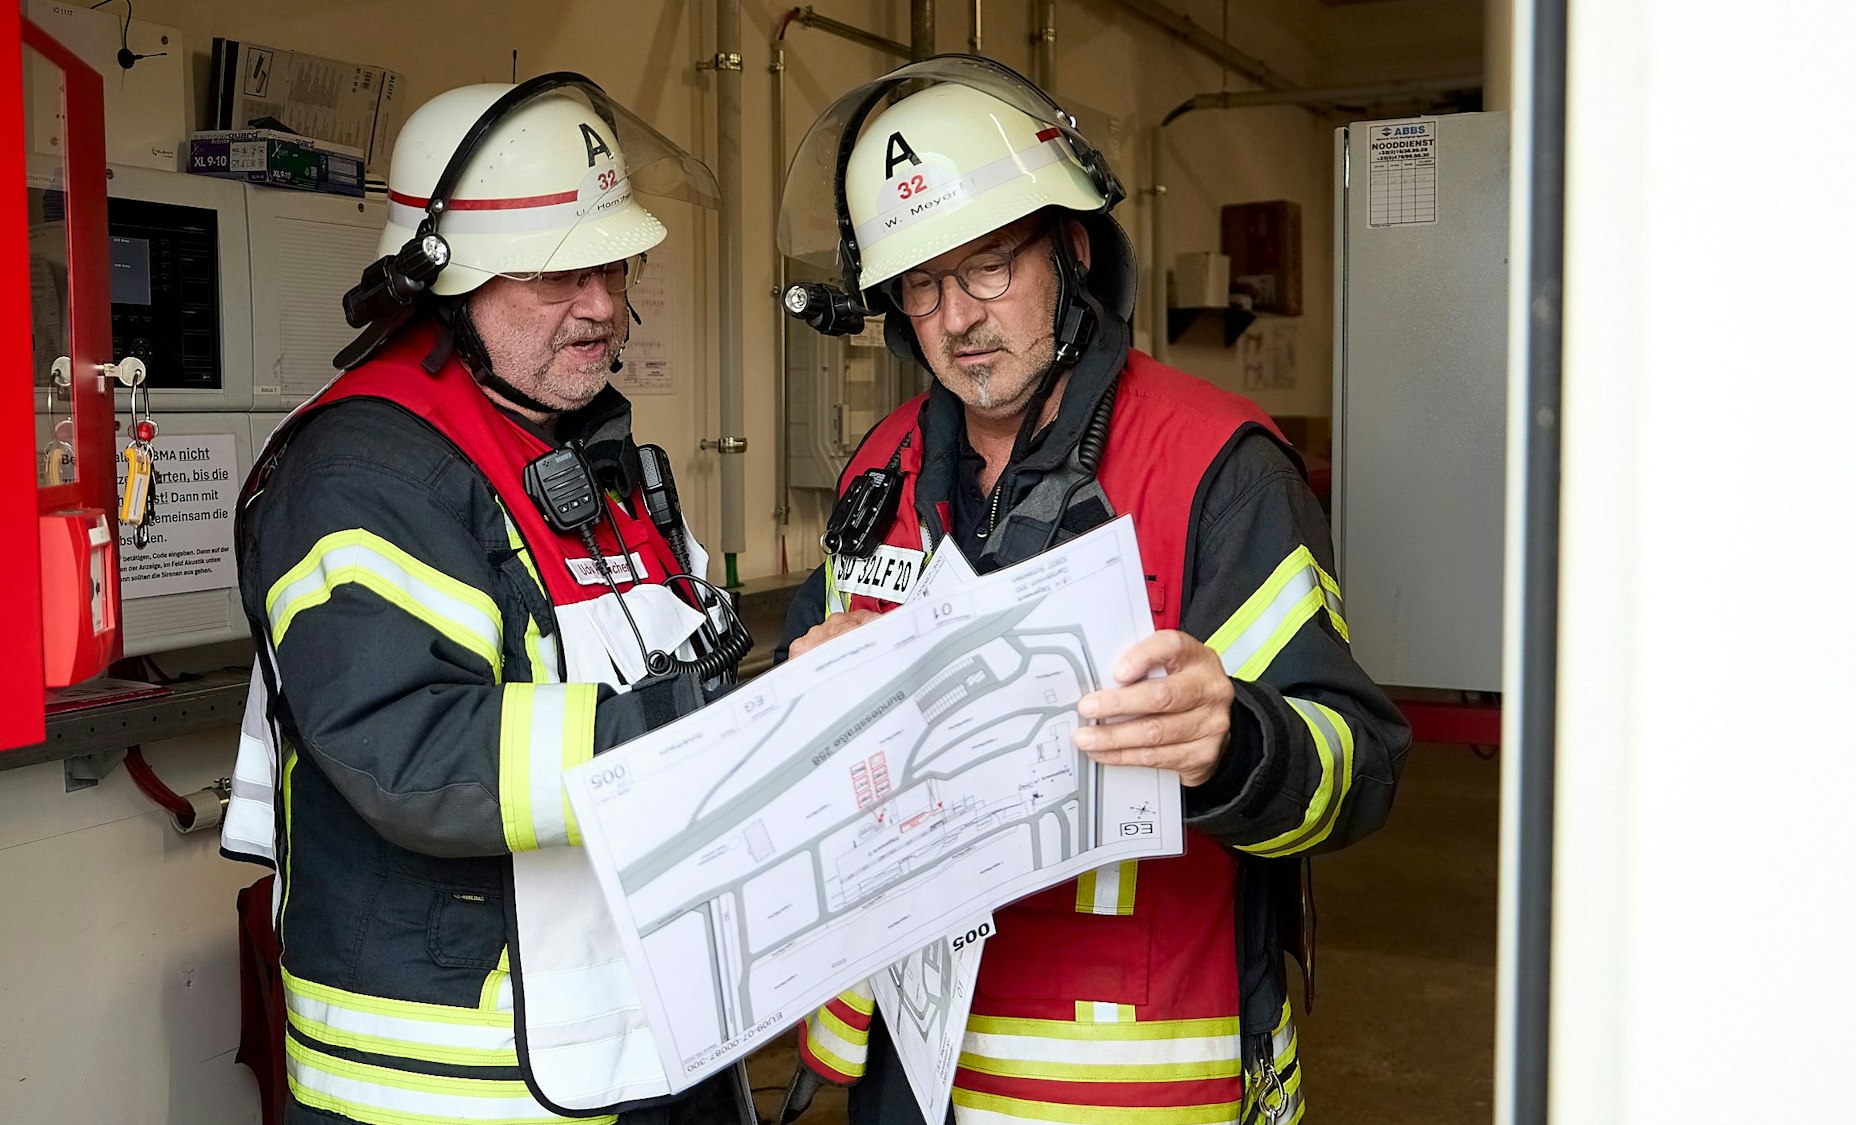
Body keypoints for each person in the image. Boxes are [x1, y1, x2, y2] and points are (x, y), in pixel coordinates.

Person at [775, 57, 1412, 1125]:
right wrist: (800, 696)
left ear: (1070, 250)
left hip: (1121, 1089)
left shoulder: (1216, 468)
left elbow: (1359, 767)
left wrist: (1231, 743)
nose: (956, 318)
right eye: (921, 285)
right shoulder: (880, 469)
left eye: (987, 267)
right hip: (904, 1078)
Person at [220, 77, 750, 1125]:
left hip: (625, 1047)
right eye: (556, 273)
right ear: (444, 282)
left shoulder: (583, 451)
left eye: (611, 264)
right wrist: (696, 731)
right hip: (451, 1085)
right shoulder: (365, 473)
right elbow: (413, 750)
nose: (601, 304)